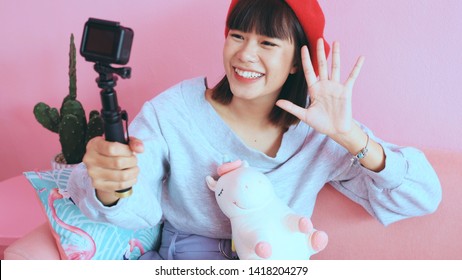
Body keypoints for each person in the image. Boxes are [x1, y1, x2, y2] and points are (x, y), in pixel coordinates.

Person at [68, 0, 442, 260]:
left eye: (267, 42)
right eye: (237, 36)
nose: (246, 54)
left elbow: (422, 197)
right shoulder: (174, 111)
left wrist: (351, 138)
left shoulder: (320, 130)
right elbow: (138, 208)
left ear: (298, 61)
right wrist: (110, 186)